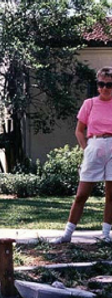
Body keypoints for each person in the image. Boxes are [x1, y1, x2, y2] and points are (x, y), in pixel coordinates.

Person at [51, 66, 112, 244]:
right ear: (97, 85)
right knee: (82, 194)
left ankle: (106, 234)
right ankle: (67, 234)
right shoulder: (90, 104)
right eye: (101, 84)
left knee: (111, 194)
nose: (105, 88)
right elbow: (79, 131)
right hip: (94, 144)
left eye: (109, 84)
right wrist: (87, 149)